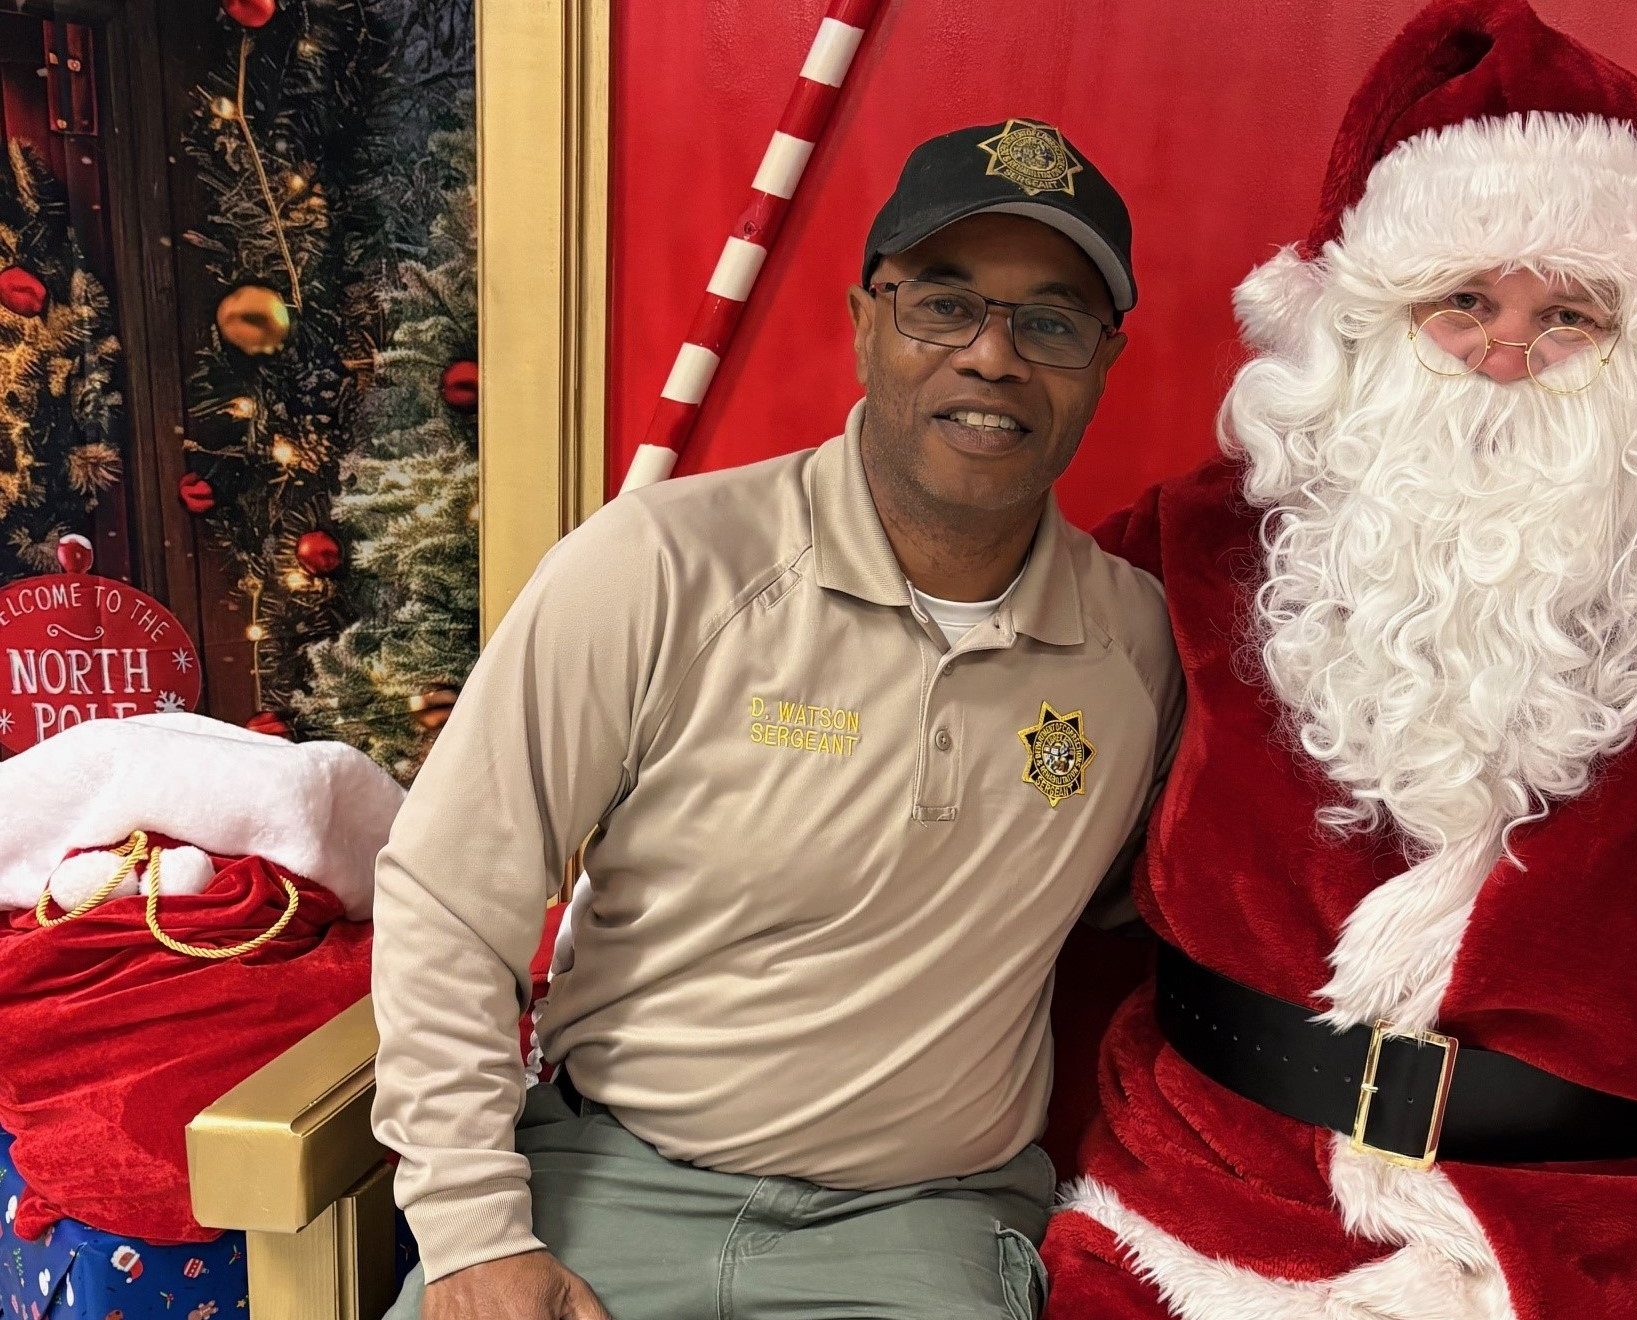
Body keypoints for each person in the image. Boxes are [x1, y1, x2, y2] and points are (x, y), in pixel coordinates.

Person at [1037, 3, 1637, 1317]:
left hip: (1589, 1271)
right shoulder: (1190, 552)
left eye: (1570, 315)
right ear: (1370, 324)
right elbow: (1004, 857)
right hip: (1184, 1229)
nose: (1505, 354)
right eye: (1463, 302)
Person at [371, 118, 1181, 1320]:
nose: (993, 357)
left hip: (923, 1228)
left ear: (1102, 362)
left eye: (1050, 323)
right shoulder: (659, 566)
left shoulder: (1140, 650)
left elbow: (1180, 905)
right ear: (865, 321)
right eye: (944, 306)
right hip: (605, 1178)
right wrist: (474, 1234)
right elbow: (449, 895)